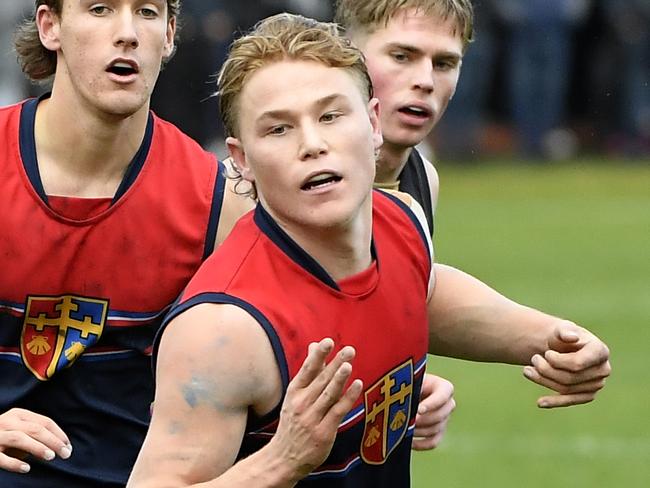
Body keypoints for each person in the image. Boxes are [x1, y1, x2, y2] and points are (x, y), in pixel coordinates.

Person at [127, 13, 610, 487]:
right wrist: (280, 462)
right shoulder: (223, 329)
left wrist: (549, 338)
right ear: (241, 160)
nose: (313, 144)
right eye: (279, 129)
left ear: (374, 123)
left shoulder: (403, 220)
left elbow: (425, 289)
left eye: (331, 116)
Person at [0, 1, 253, 487]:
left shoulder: (216, 203)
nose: (128, 33)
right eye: (100, 8)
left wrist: (402, 377)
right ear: (50, 26)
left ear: (171, 34)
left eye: (147, 12)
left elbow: (279, 351)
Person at [335, 0, 611, 408]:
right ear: (343, 54)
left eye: (445, 63)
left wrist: (558, 338)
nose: (425, 80)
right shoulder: (282, 176)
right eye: (402, 56)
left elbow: (412, 295)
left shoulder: (421, 178)